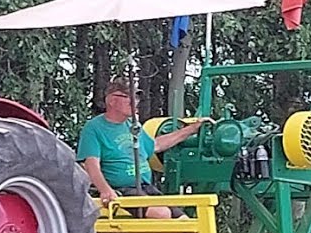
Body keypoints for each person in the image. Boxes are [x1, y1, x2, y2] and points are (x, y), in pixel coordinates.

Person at [76, 78, 210, 219]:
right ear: (112, 100)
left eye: (137, 97)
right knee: (161, 214)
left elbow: (156, 145)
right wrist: (105, 190)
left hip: (146, 188)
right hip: (122, 190)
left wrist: (189, 130)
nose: (135, 102)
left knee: (185, 221)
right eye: (128, 97)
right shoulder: (94, 128)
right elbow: (91, 165)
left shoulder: (133, 125)